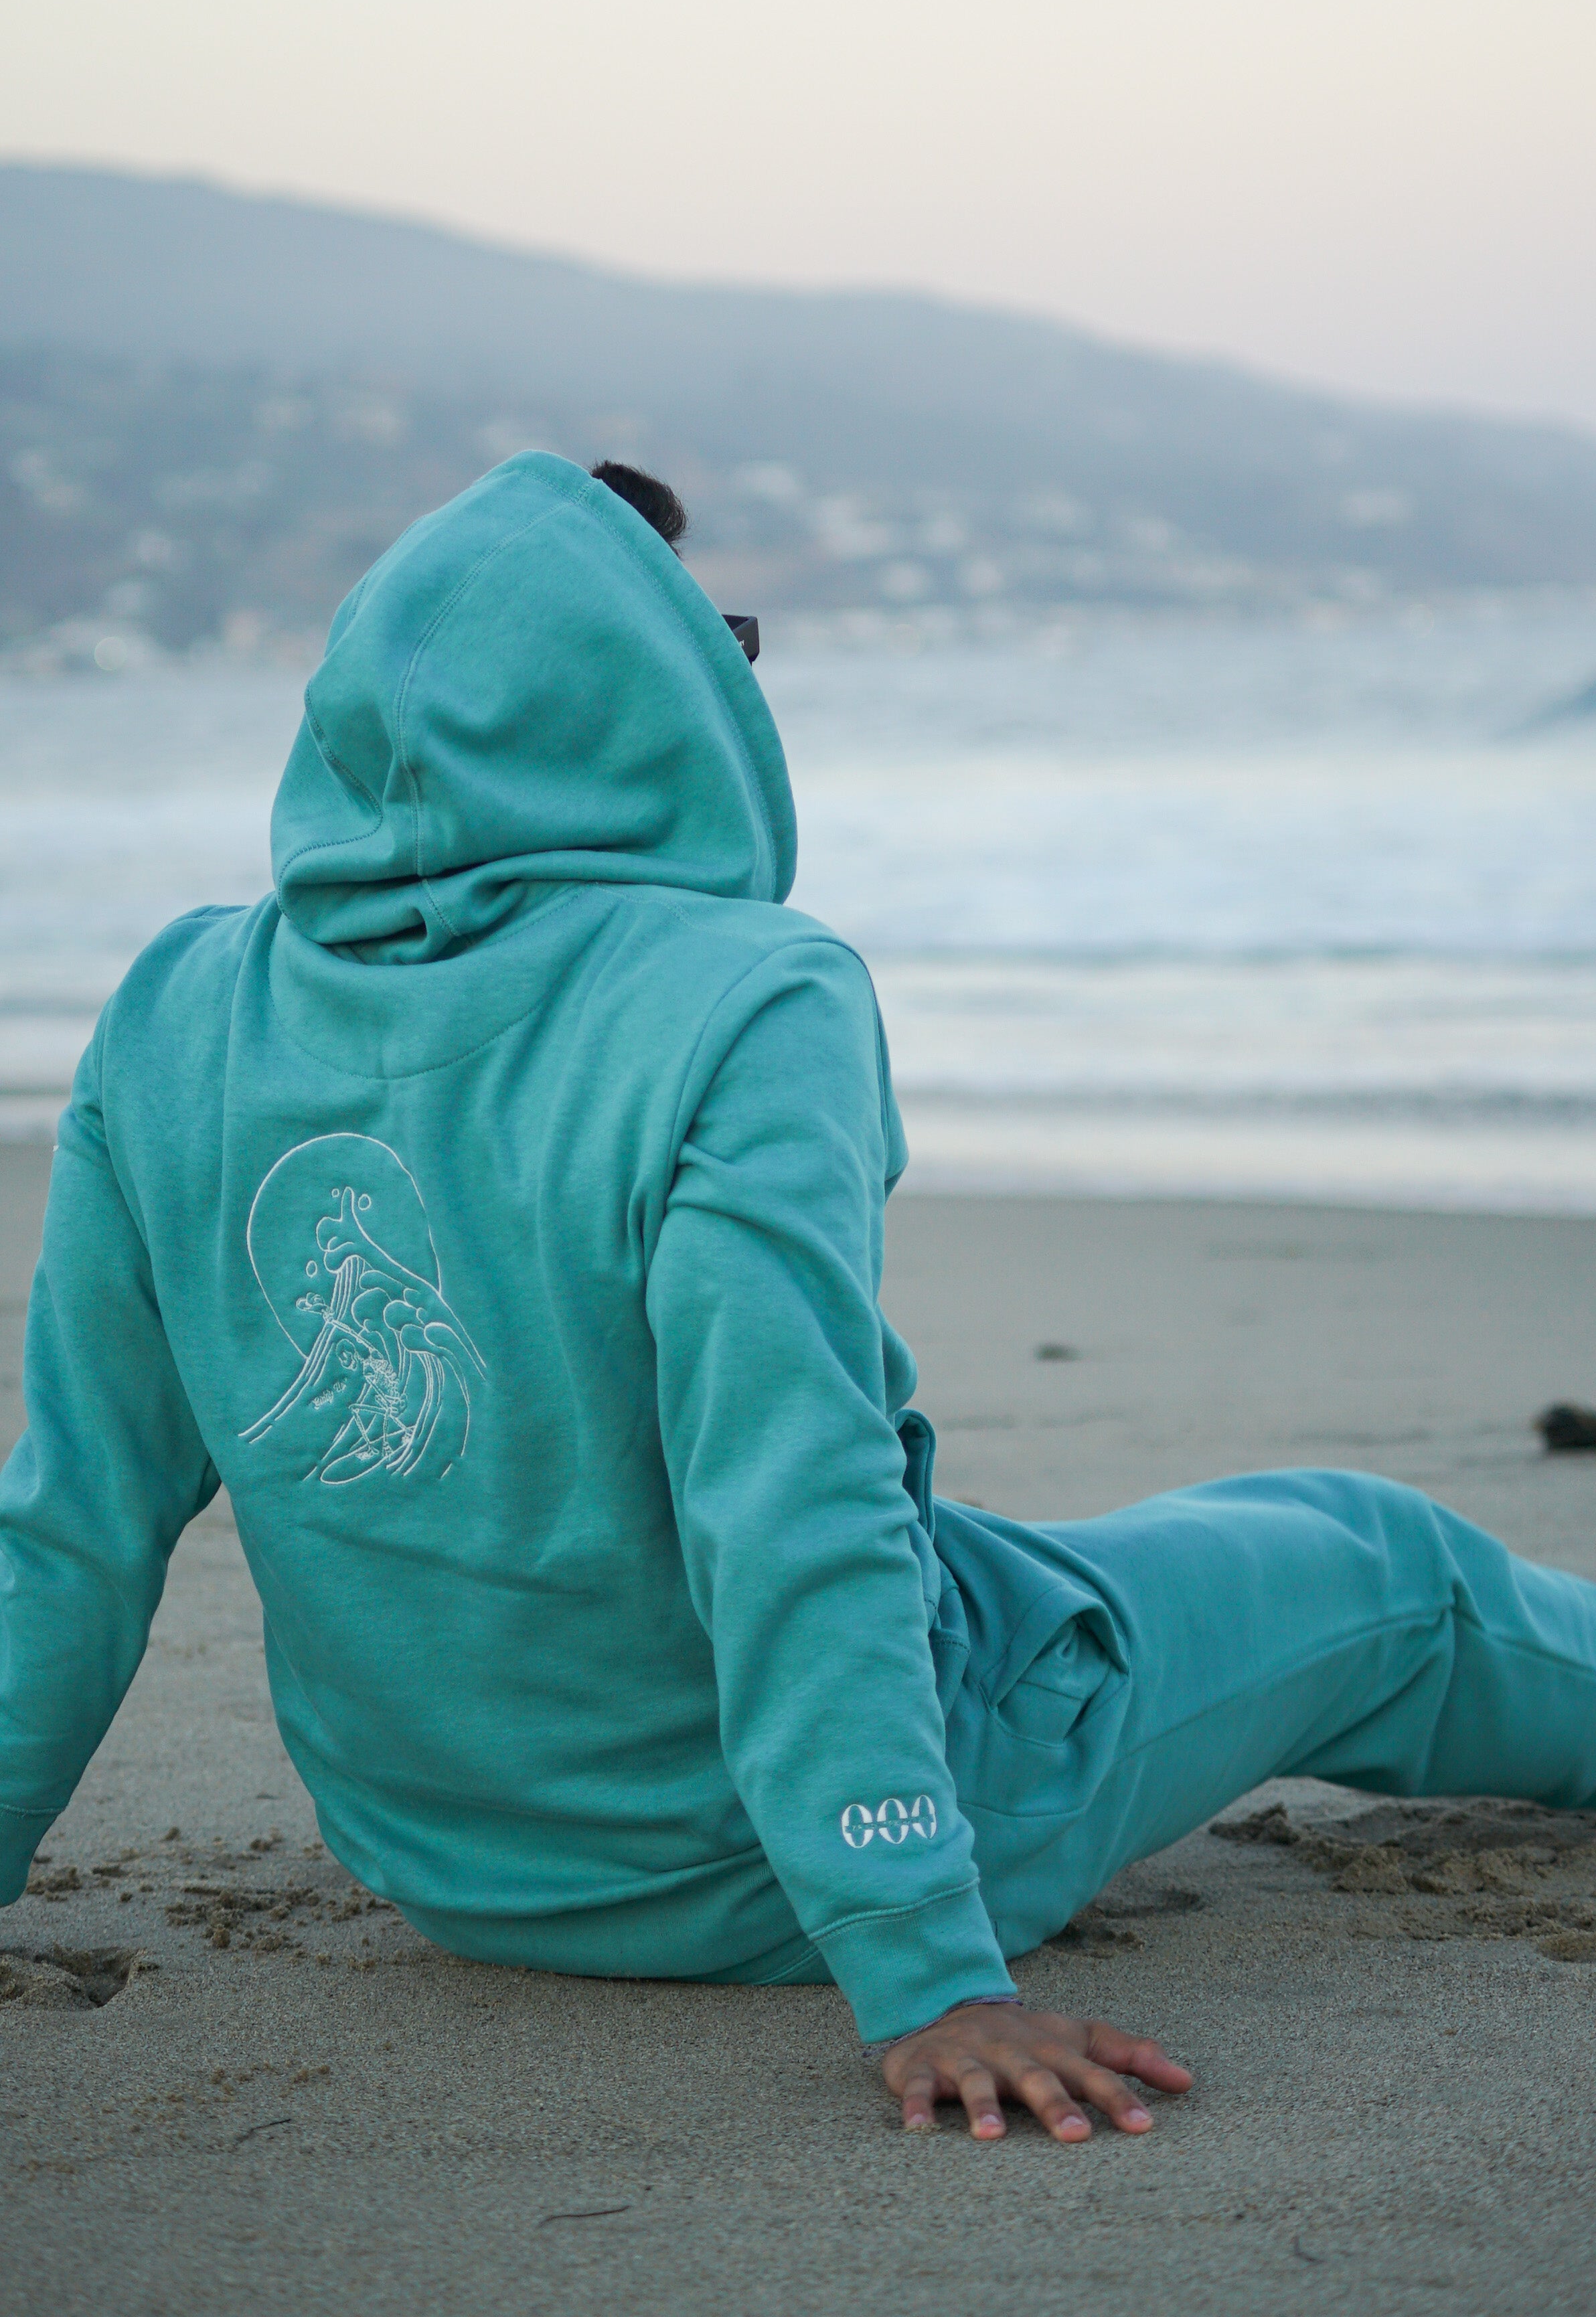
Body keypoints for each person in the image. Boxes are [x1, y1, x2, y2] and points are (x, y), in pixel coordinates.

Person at [3, 448, 1593, 2146]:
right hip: (790, 1868)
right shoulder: (745, 996)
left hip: (459, 1869)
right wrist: (928, 1970)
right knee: (1381, 1564)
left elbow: (72, 1522)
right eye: (720, 651)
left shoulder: (173, 1008)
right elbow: (785, 1495)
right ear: (647, 703)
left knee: (1045, 1553)